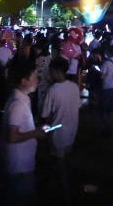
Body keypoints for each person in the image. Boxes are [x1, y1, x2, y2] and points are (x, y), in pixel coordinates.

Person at [0, 61, 47, 200]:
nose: (37, 81)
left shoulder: (22, 100)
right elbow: (12, 137)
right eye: (34, 77)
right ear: (24, 81)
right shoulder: (18, 105)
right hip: (19, 164)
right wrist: (36, 133)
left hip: (21, 161)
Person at [39, 56, 79, 196]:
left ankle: (65, 193)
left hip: (58, 134)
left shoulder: (53, 90)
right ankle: (47, 181)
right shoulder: (74, 86)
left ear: (56, 72)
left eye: (50, 72)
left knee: (61, 166)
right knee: (58, 158)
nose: (49, 75)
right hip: (72, 130)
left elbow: (44, 115)